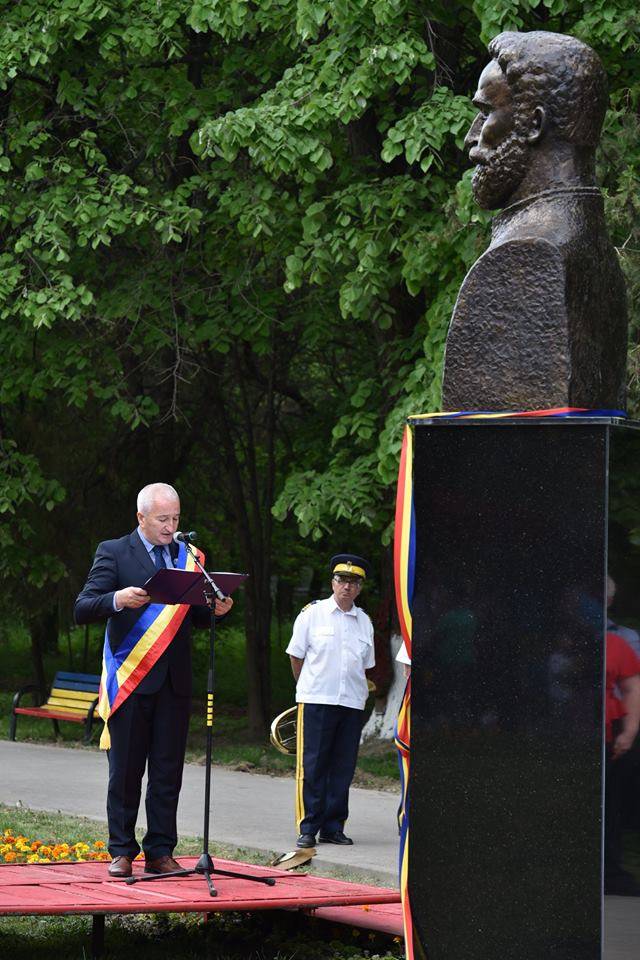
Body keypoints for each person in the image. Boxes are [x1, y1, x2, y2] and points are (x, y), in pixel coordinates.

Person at [442, 30, 627, 411]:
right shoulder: (590, 247)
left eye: (485, 113)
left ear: (533, 123)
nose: (470, 138)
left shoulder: (525, 255)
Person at [74, 482, 233, 878]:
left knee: (167, 771)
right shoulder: (113, 552)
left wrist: (218, 608)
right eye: (163, 519)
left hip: (174, 682)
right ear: (141, 517)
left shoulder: (188, 556)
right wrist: (118, 600)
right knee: (125, 771)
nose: (170, 526)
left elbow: (194, 616)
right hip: (131, 678)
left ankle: (161, 849)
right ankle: (122, 850)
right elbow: (82, 608)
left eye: (176, 518)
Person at [287, 554, 375, 848]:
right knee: (313, 766)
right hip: (316, 699)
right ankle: (308, 826)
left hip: (351, 703)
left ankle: (333, 826)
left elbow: (365, 665)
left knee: (342, 767)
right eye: (342, 580)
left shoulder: (364, 622)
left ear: (360, 587)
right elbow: (296, 656)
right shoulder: (312, 614)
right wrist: (307, 687)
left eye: (353, 582)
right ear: (332, 582)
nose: (347, 587)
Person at [605, 630, 640, 895]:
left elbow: (632, 686)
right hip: (564, 731)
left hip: (607, 734)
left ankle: (610, 871)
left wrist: (629, 731)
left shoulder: (615, 643)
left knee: (611, 805)